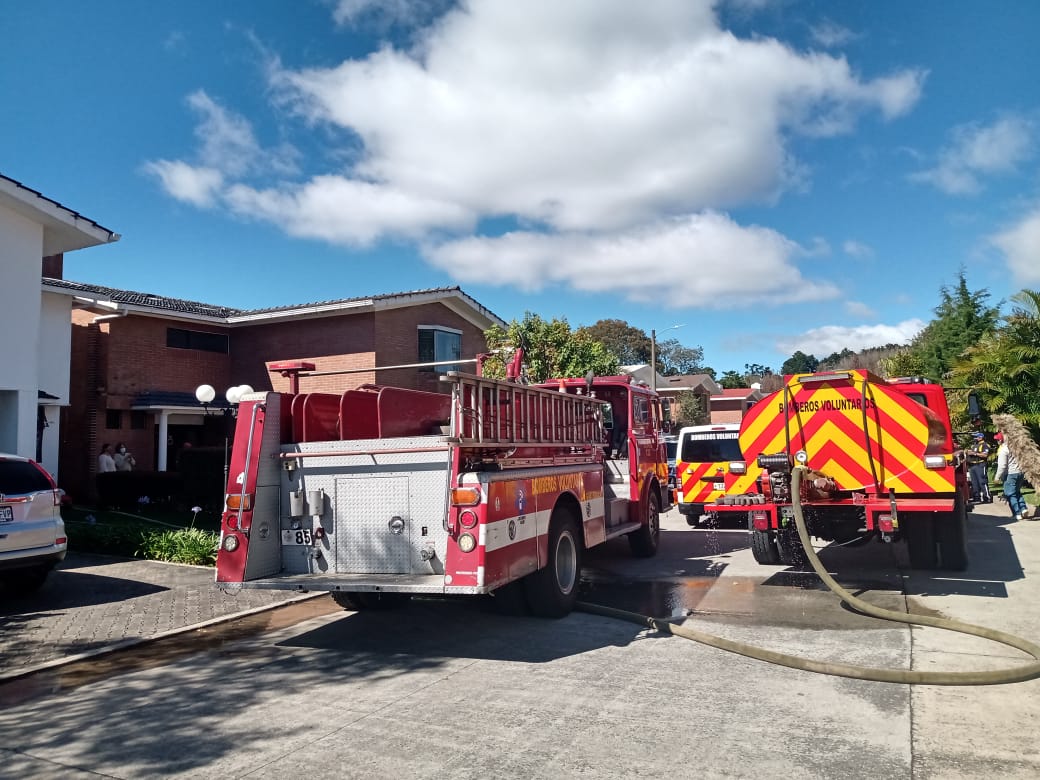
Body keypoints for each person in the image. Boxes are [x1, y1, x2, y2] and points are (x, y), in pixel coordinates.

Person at [994, 431, 1028, 521]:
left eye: (998, 440)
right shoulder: (1016, 447)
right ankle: (1023, 508)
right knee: (1017, 492)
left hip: (1011, 474)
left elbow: (1002, 466)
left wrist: (997, 477)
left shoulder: (1003, 450)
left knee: (1010, 494)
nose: (997, 441)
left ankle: (1017, 513)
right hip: (1020, 472)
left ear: (1001, 440)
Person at [966, 432, 991, 504]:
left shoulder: (985, 445)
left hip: (980, 465)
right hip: (972, 466)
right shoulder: (974, 445)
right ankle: (976, 498)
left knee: (982, 481)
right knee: (974, 483)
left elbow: (985, 455)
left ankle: (987, 497)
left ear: (980, 437)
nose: (975, 438)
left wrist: (975, 453)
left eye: (976, 437)